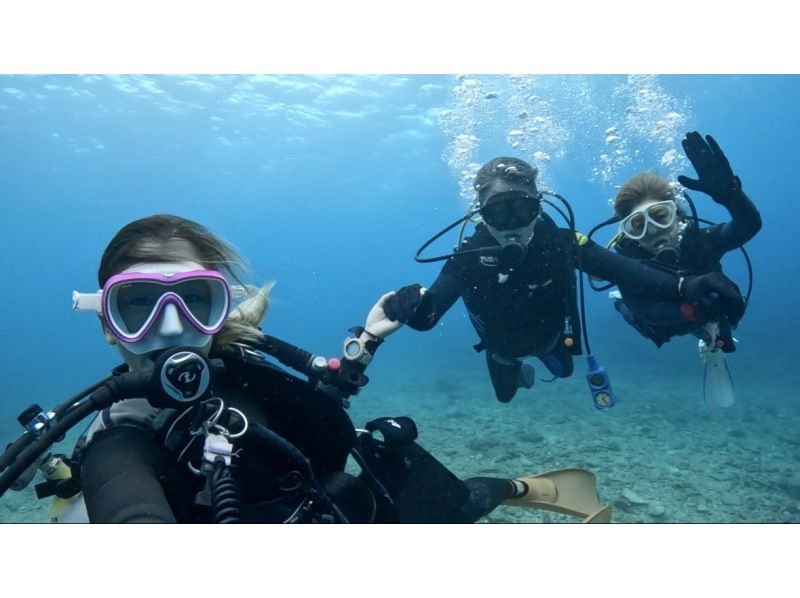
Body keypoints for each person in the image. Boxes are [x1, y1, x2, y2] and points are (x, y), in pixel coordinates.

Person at [0, 214, 611, 523]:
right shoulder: (118, 437)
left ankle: (517, 487)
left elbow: (329, 386)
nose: (170, 326)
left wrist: (366, 339)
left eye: (195, 300)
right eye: (138, 305)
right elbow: (126, 503)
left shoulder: (245, 360)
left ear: (220, 311)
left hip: (326, 504)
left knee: (426, 501)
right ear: (108, 324)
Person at [375, 156, 748, 403]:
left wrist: (686, 286)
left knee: (565, 370)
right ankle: (514, 368)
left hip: (553, 337)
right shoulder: (468, 258)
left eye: (523, 209)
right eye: (499, 214)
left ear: (538, 205)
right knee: (506, 397)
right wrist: (413, 304)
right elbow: (429, 315)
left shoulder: (564, 244)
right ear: (482, 216)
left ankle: (534, 360)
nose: (513, 225)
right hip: (501, 347)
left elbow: (626, 271)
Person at [604, 131, 762, 406]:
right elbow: (644, 311)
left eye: (660, 216)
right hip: (656, 318)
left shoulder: (700, 242)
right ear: (630, 235)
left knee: (724, 313)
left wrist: (730, 195)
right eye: (638, 225)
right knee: (640, 319)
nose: (653, 231)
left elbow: (747, 226)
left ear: (677, 214)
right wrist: (694, 310)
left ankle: (708, 333)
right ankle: (617, 300)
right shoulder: (629, 262)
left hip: (703, 308)